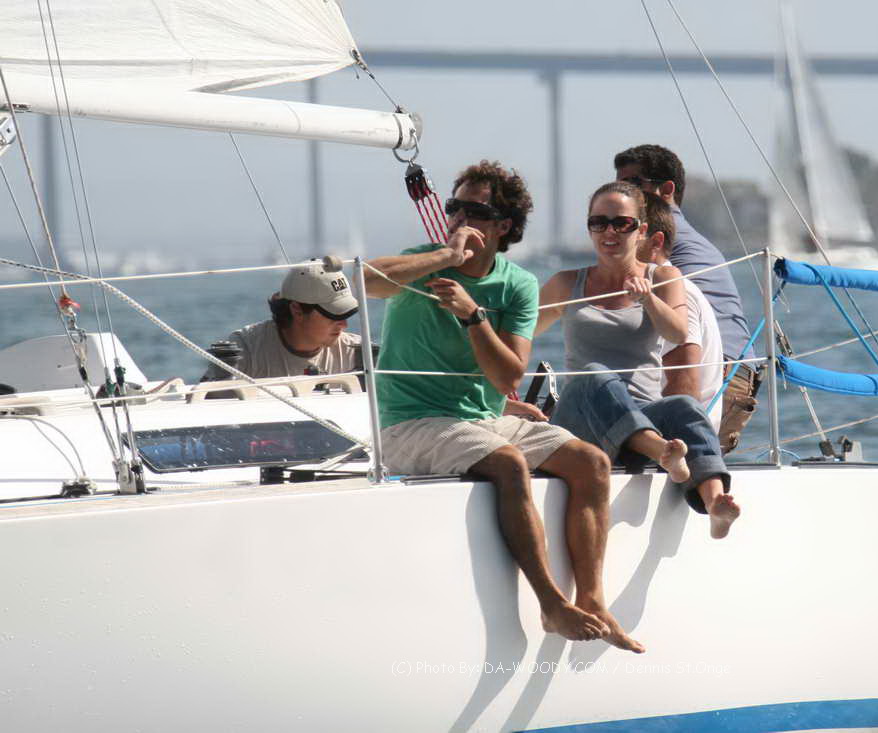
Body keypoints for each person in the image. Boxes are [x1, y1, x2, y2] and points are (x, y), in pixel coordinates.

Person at [362, 161, 643, 653]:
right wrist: (445, 256)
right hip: (409, 425)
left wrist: (474, 317)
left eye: (475, 211)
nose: (459, 218)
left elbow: (509, 377)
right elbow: (366, 282)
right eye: (454, 208)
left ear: (503, 226)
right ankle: (551, 604)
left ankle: (593, 601)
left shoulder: (518, 285)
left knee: (591, 461)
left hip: (483, 421)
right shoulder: (421, 262)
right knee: (509, 463)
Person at [538, 181, 740, 540]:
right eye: (598, 223)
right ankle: (660, 450)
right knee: (595, 375)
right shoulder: (565, 283)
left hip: (643, 415)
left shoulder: (663, 277)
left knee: (683, 407)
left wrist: (648, 300)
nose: (609, 232)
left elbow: (678, 331)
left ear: (642, 230)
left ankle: (714, 505)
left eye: (622, 223)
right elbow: (519, 334)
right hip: (582, 423)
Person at [614, 144, 760, 453]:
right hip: (724, 370)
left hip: (715, 375)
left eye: (633, 184)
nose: (623, 194)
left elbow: (684, 339)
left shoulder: (664, 246)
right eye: (619, 185)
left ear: (667, 189)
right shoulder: (681, 240)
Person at [637, 192, 724, 433]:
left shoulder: (673, 292)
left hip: (674, 436)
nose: (609, 237)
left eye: (624, 228)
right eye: (598, 225)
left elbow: (684, 386)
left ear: (655, 242)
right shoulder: (652, 287)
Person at [201, 257, 361, 380]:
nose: (344, 325)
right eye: (334, 315)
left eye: (346, 314)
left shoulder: (358, 352)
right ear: (297, 310)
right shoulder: (245, 349)